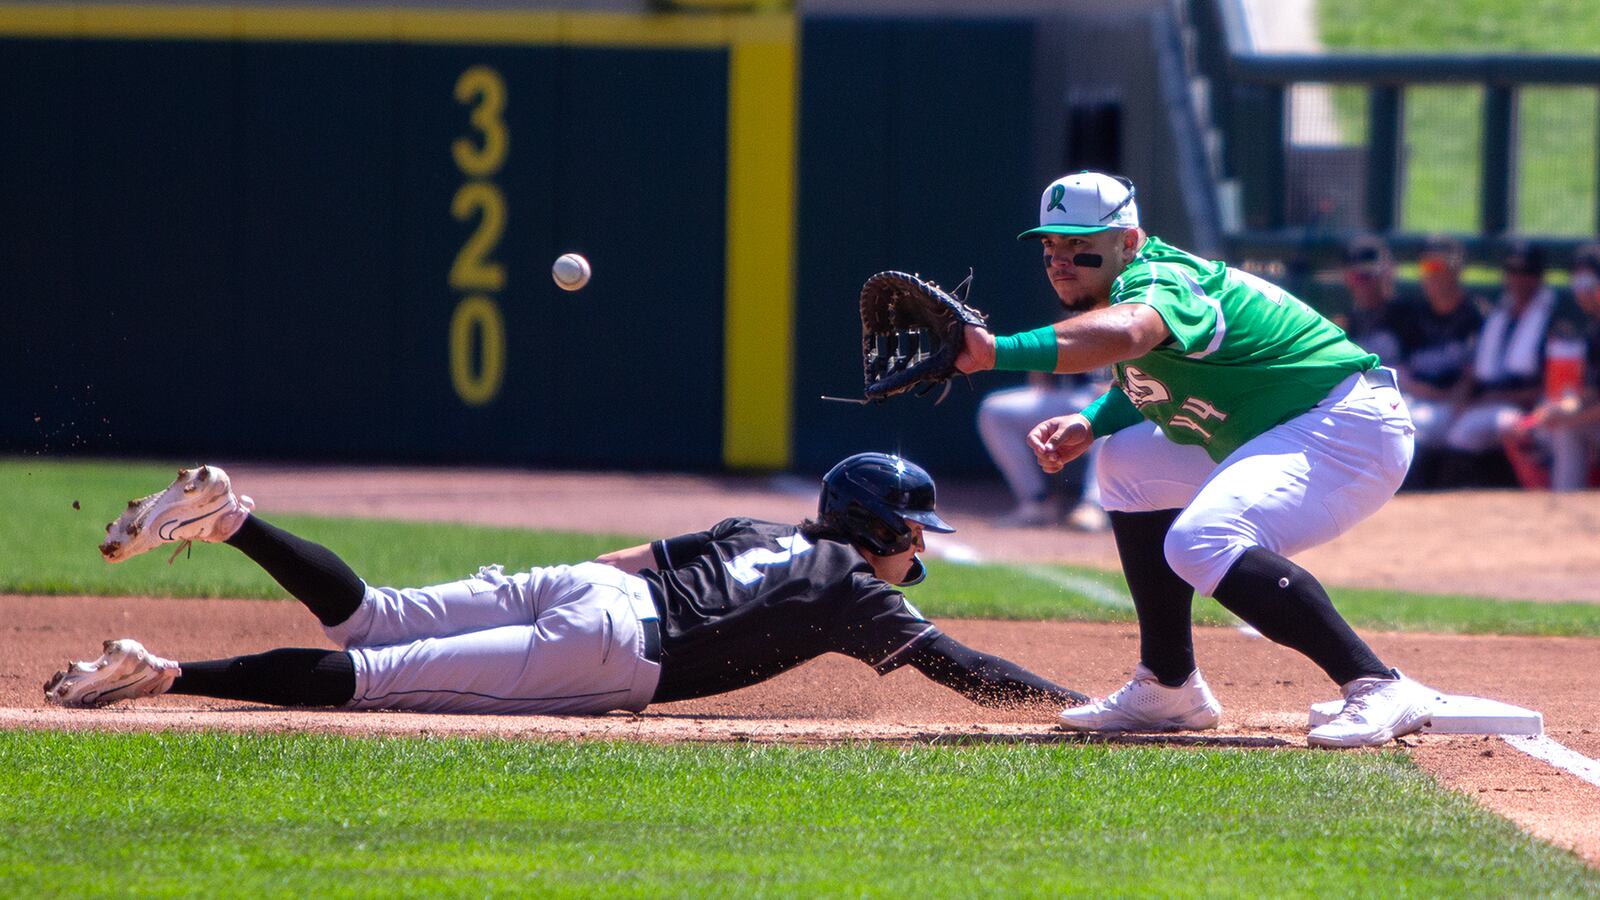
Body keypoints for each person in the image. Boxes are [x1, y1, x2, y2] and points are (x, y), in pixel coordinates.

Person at [953, 170, 1435, 748]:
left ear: (1129, 241)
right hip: (1285, 426)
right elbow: (1151, 374)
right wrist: (1092, 421)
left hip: (1347, 428)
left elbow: (1132, 335)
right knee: (1126, 464)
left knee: (1200, 541)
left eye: (1080, 245)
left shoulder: (1162, 278)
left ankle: (1376, 684)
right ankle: (1168, 686)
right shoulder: (1132, 284)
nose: (1060, 259)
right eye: (1051, 246)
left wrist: (995, 351)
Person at [45, 457, 1090, 714]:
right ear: (875, 528)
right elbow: (961, 667)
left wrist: (546, 599)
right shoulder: (853, 594)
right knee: (376, 673)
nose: (922, 546)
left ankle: (234, 518)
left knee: (382, 614)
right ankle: (165, 673)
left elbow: (629, 560)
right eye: (914, 529)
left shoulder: (759, 526)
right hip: (610, 652)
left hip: (584, 588)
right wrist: (1069, 710)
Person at [1435, 241, 1560, 486]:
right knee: (1454, 426)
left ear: (1539, 277)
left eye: (1527, 272)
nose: (1519, 279)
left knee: (1490, 425)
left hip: (1529, 409)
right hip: (1488, 401)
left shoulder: (1551, 322)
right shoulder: (1496, 317)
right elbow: (1474, 371)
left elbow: (1549, 388)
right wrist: (1463, 396)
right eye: (1513, 271)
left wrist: (1499, 399)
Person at [1384, 235, 1485, 488]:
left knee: (1417, 426)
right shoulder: (1414, 315)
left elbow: (1472, 380)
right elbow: (1401, 369)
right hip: (1416, 398)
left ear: (1456, 269)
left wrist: (1444, 396)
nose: (1430, 274)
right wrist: (1417, 389)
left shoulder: (1476, 316)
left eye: (1437, 266)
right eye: (1425, 267)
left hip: (1454, 405)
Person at [978, 363, 1109, 530]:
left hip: (1099, 395)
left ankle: (1094, 506)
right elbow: (1041, 362)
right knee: (994, 411)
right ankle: (1037, 502)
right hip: (1057, 393)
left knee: (1107, 416)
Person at [1520, 245, 1600, 491]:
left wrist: (1571, 416)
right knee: (1565, 427)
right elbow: (1591, 393)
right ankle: (1567, 507)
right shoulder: (1594, 330)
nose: (1582, 291)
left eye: (1589, 282)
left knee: (1569, 425)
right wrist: (1559, 409)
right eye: (1578, 283)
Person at [1336, 234, 1401, 364]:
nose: (1368, 283)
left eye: (1373, 274)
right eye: (1361, 276)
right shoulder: (1343, 326)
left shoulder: (1410, 318)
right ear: (1348, 277)